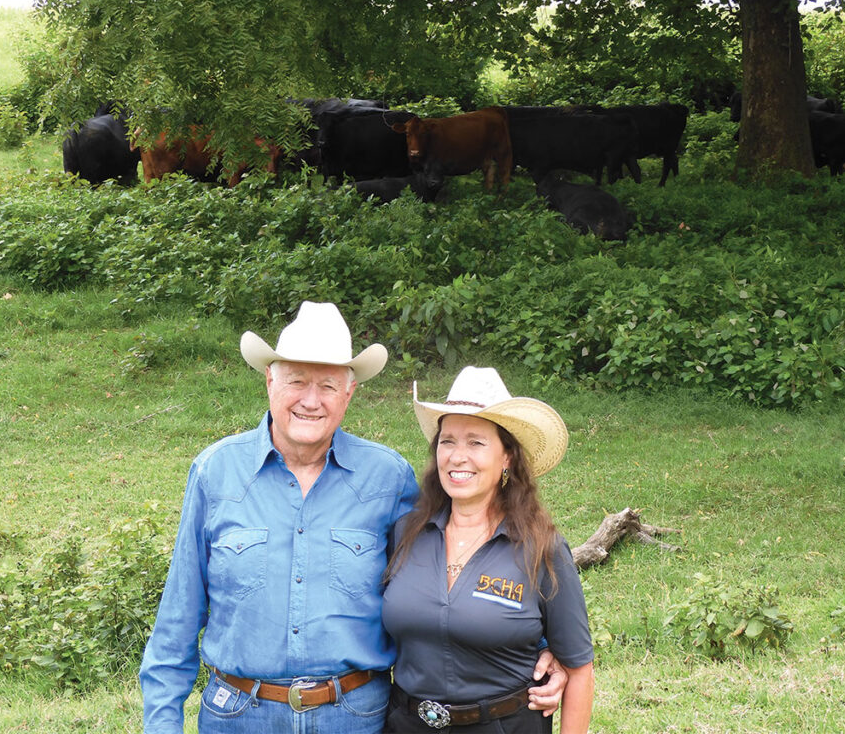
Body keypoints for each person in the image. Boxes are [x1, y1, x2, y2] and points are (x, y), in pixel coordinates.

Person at [139, 303, 567, 733]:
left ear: (350, 393)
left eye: (327, 385)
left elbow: (458, 563)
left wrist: (542, 650)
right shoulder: (216, 472)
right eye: (297, 381)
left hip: (354, 715)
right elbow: (178, 617)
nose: (311, 400)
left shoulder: (387, 477)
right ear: (270, 380)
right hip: (237, 715)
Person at [382, 366, 595, 733]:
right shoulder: (406, 533)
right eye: (447, 441)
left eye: (476, 442)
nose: (457, 456)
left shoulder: (540, 547)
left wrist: (552, 656)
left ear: (507, 456)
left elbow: (579, 669)